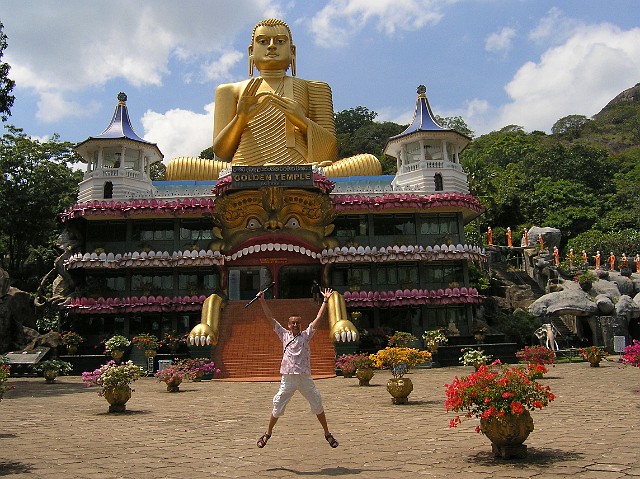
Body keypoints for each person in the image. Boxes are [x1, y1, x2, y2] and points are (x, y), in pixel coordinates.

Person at [166, 18, 380, 180]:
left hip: (303, 170)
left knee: (369, 163)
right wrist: (240, 118)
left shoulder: (314, 88)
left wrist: (302, 121)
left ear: (292, 51)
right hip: (242, 170)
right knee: (176, 168)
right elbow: (221, 151)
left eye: (279, 41)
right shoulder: (230, 90)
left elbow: (330, 152)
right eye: (263, 41)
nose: (271, 46)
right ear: (251, 52)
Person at [256, 286, 339, 449]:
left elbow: (319, 318)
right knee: (278, 404)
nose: (295, 325)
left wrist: (325, 301)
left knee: (317, 402)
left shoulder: (306, 335)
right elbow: (270, 318)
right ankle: (267, 433)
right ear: (288, 325)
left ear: (301, 324)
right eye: (293, 323)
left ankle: (327, 433)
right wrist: (263, 301)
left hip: (304, 377)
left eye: (298, 323)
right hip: (288, 378)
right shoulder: (283, 334)